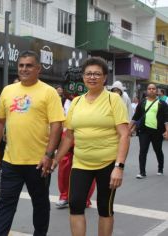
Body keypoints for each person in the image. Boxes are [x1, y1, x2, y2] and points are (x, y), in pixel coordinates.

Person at [52, 57, 130, 236]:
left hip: (108, 164)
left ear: (104, 78)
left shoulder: (113, 100)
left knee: (105, 208)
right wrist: (55, 159)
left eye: (97, 74)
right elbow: (69, 136)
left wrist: (119, 167)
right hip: (81, 163)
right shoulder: (77, 102)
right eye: (88, 74)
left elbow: (124, 134)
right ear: (83, 77)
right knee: (76, 205)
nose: (92, 77)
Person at [0, 51, 65, 236]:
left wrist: (49, 155)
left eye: (29, 65)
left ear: (38, 68)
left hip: (38, 163)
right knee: (5, 204)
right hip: (11, 161)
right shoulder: (8, 90)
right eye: (21, 65)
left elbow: (57, 124)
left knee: (40, 205)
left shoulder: (49, 92)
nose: (24, 69)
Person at [55, 92, 95, 209]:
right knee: (64, 167)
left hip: (86, 135)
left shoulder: (93, 98)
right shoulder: (63, 100)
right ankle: (64, 195)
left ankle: (85, 198)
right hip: (67, 134)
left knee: (87, 167)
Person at [129, 84, 168, 179]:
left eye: (153, 89)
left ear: (156, 91)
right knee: (143, 151)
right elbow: (136, 117)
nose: (151, 90)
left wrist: (167, 131)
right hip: (144, 131)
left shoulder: (162, 103)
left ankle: (160, 168)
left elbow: (166, 118)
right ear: (147, 90)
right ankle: (142, 172)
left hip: (157, 131)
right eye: (149, 88)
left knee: (158, 150)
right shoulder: (142, 102)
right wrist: (129, 129)